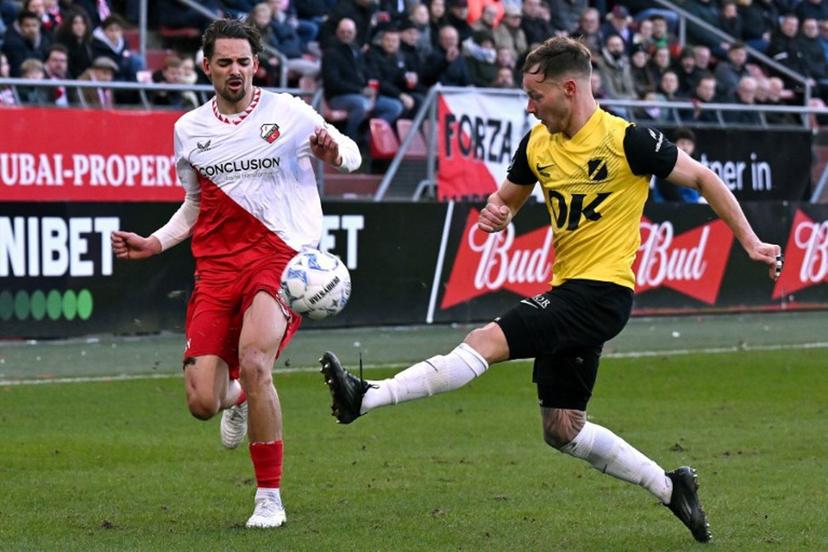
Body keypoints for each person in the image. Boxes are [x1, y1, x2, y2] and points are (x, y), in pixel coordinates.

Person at [320, 36, 784, 544]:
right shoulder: (537, 144)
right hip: (570, 290)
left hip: (602, 293)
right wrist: (496, 214)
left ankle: (365, 398)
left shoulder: (626, 139)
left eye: (536, 96)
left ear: (569, 88)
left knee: (483, 341)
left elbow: (704, 178)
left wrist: (752, 241)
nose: (530, 106)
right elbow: (505, 201)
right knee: (563, 428)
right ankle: (673, 489)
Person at [110, 18, 361, 529]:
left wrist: (337, 152)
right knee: (203, 401)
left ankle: (268, 498)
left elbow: (348, 150)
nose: (235, 71)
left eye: (243, 62)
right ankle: (239, 395)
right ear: (206, 66)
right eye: (224, 62)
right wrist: (155, 242)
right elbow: (194, 204)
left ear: (256, 65)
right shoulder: (188, 129)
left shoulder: (286, 112)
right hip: (218, 266)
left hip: (281, 256)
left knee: (254, 358)